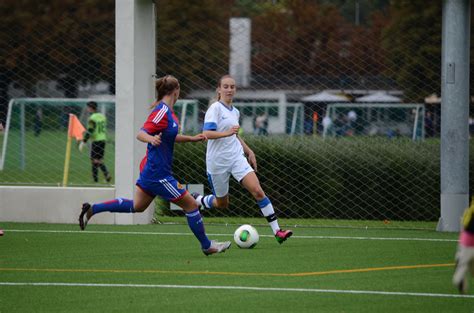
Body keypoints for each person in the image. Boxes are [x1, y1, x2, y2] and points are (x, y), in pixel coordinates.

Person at [78, 75, 231, 256]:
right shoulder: (162, 111)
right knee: (191, 205)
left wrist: (191, 138)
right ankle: (207, 246)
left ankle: (93, 209)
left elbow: (169, 137)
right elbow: (142, 133)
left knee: (138, 206)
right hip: (159, 174)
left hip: (153, 171)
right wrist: (151, 138)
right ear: (176, 91)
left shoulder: (170, 114)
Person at [192, 74, 293, 244]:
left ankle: (278, 232)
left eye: (232, 87)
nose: (229, 89)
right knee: (222, 203)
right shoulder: (215, 108)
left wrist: (249, 151)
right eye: (225, 86)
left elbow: (235, 136)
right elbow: (207, 134)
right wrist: (227, 132)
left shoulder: (235, 111)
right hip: (217, 162)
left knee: (258, 191)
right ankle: (199, 200)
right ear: (219, 89)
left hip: (236, 158)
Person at [80, 101, 112, 183]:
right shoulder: (102, 116)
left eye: (88, 108)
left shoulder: (92, 118)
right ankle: (105, 175)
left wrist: (84, 141)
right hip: (103, 139)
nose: (87, 109)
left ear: (90, 108)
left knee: (94, 160)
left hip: (96, 140)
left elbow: (91, 130)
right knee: (99, 159)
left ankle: (95, 179)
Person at [453, 197, 474, 294]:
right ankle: (459, 277)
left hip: (465, 238)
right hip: (469, 238)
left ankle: (460, 259)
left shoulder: (469, 210)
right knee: (465, 263)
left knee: (464, 262)